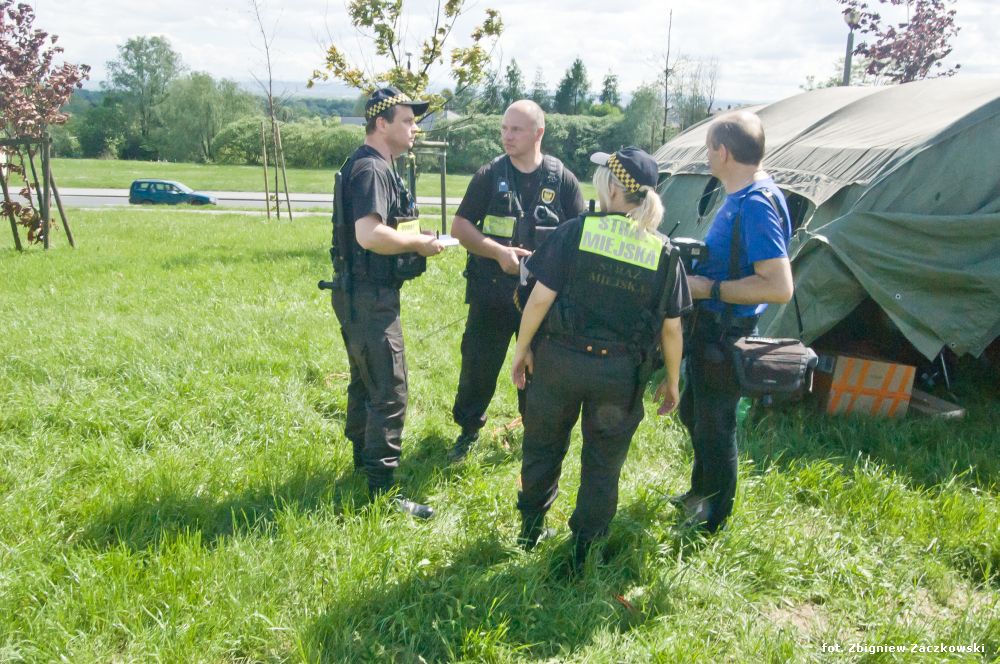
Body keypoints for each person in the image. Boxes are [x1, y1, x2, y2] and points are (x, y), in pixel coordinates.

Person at [510, 147, 690, 568]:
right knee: (603, 465)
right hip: (619, 375)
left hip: (559, 364)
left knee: (542, 446)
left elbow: (539, 299)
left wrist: (521, 350)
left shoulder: (576, 231)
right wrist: (673, 381)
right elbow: (672, 328)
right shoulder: (663, 250)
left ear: (611, 187)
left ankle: (530, 531)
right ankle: (584, 553)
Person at [670, 110, 794, 533]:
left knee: (715, 427)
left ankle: (712, 521)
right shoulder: (742, 195)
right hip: (710, 331)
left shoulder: (756, 203)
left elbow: (779, 285)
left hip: (727, 334)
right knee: (695, 414)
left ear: (722, 152)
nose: (707, 156)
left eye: (709, 148)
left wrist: (710, 289)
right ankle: (698, 495)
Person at [328, 86, 445, 519]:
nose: (415, 129)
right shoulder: (373, 169)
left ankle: (362, 468)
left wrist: (413, 238)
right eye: (407, 121)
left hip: (359, 294)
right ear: (382, 123)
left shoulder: (369, 165)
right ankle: (381, 492)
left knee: (367, 383)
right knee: (390, 391)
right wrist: (418, 244)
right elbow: (369, 234)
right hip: (369, 297)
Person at [447, 100, 586, 462]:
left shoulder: (562, 180)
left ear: (538, 133)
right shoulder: (489, 175)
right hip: (491, 295)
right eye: (504, 128)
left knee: (538, 372)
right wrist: (497, 252)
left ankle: (534, 435)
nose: (507, 136)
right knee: (478, 367)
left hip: (540, 301)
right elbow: (459, 227)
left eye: (516, 130)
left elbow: (581, 236)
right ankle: (468, 430)